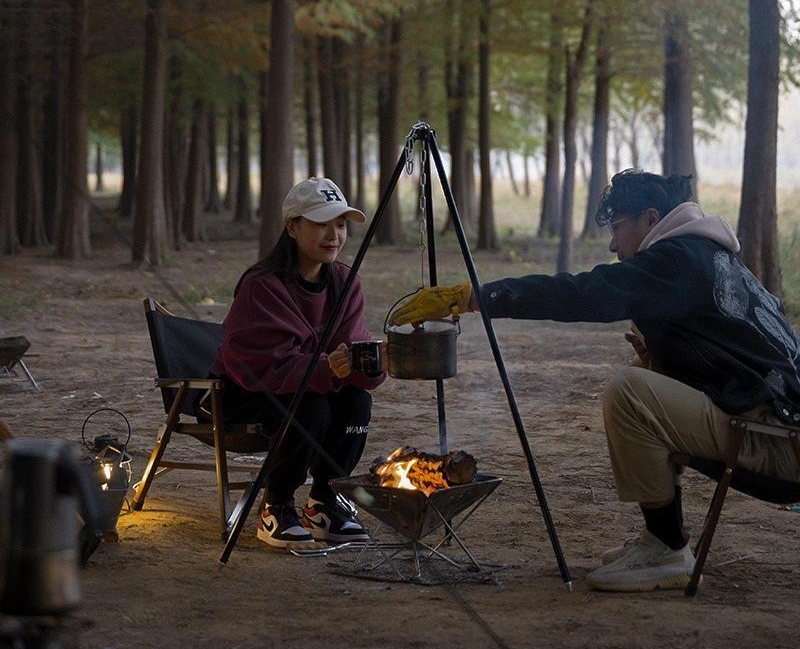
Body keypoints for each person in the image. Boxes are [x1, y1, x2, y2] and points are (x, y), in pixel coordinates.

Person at [389, 169, 800, 591]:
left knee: (630, 393)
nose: (611, 243)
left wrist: (475, 297)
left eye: (617, 227)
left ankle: (666, 548)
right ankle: (662, 538)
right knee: (644, 373)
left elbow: (584, 292)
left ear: (651, 219)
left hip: (775, 445)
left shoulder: (676, 259)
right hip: (776, 429)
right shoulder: (705, 254)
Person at [211, 178, 386, 550]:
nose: (334, 235)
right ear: (292, 227)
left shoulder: (345, 281)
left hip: (309, 385)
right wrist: (325, 369)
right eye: (321, 223)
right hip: (243, 392)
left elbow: (351, 345)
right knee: (311, 405)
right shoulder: (263, 285)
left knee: (357, 402)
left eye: (340, 225)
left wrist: (372, 363)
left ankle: (324, 502)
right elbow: (258, 365)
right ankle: (277, 505)